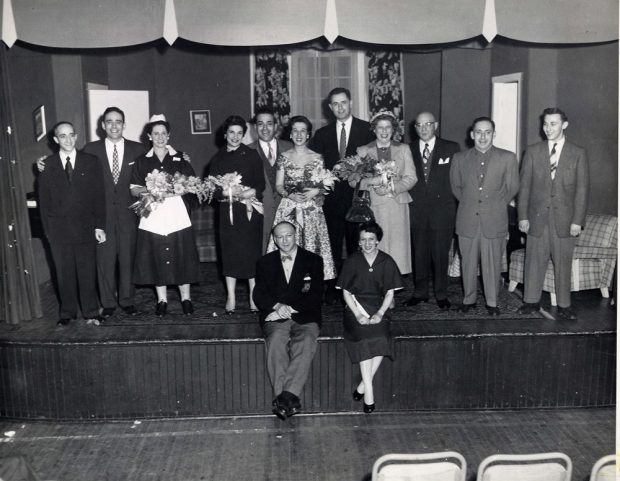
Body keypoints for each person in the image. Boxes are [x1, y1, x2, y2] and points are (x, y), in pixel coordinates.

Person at [37, 107, 147, 317]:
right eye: (109, 121)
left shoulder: (139, 149)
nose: (114, 125)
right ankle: (107, 302)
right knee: (103, 261)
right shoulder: (91, 149)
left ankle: (127, 299)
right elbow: (69, 163)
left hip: (128, 216)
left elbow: (154, 167)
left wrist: (177, 154)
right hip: (100, 217)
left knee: (127, 260)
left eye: (118, 121)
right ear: (103, 125)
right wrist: (43, 164)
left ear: (124, 124)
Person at [517, 108, 589, 321]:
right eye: (546, 124)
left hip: (565, 221)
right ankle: (531, 302)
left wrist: (578, 221)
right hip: (537, 219)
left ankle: (565, 306)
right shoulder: (532, 151)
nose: (548, 128)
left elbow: (582, 190)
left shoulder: (578, 153)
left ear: (564, 125)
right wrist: (522, 216)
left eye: (553, 124)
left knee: (563, 263)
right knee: (533, 262)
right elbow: (524, 188)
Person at [309, 87, 375, 303]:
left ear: (351, 102)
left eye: (343, 102)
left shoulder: (367, 130)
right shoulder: (321, 135)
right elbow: (315, 169)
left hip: (359, 198)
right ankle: (334, 287)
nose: (340, 107)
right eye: (335, 104)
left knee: (359, 243)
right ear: (330, 107)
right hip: (331, 201)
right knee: (333, 245)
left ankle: (359, 286)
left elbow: (375, 164)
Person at [253, 221, 324, 420]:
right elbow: (259, 295)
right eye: (279, 237)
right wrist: (277, 307)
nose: (284, 241)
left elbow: (317, 295)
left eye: (288, 236)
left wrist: (288, 310)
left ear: (296, 236)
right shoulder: (265, 262)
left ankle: (284, 398)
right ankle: (287, 399)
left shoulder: (314, 260)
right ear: (274, 240)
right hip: (275, 315)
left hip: (305, 314)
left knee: (306, 341)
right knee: (275, 341)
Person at [130, 115, 200, 316]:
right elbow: (134, 189)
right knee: (156, 256)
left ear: (168, 135)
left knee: (182, 255)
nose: (160, 137)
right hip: (153, 214)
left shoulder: (179, 157)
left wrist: (177, 189)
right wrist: (152, 188)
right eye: (156, 133)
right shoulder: (142, 161)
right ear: (149, 136)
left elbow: (192, 184)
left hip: (177, 214)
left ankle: (185, 298)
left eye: (163, 133)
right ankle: (162, 300)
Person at [38, 122, 106, 326]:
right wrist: (48, 231)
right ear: (55, 139)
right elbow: (44, 201)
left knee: (87, 272)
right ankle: (66, 313)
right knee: (63, 273)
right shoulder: (47, 165)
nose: (67, 140)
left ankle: (91, 312)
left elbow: (99, 197)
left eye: (71, 135)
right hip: (59, 231)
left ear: (76, 137)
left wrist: (99, 226)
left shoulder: (91, 161)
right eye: (62, 136)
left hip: (86, 227)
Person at [450, 117, 519, 315]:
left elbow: (512, 187)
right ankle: (469, 300)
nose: (482, 136)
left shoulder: (507, 158)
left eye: (487, 132)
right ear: (471, 135)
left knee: (492, 264)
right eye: (478, 132)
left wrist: (494, 204)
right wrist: (472, 202)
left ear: (493, 135)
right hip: (467, 219)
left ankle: (492, 302)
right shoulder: (459, 158)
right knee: (468, 263)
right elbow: (456, 187)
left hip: (494, 219)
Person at [337, 221, 403, 413]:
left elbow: (390, 293)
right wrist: (358, 314)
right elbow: (346, 293)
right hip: (355, 308)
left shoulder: (387, 261)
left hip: (379, 306)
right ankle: (369, 392)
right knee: (365, 337)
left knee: (382, 337)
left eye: (371, 240)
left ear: (378, 241)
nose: (367, 244)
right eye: (363, 240)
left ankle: (362, 386)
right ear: (358, 242)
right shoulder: (352, 261)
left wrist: (380, 313)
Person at [267, 115, 336, 280]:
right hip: (289, 207)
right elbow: (278, 185)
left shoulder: (317, 158)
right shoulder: (283, 157)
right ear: (290, 134)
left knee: (311, 246)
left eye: (303, 131)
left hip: (311, 209)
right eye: (295, 131)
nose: (299, 134)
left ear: (308, 135)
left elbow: (324, 183)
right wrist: (290, 194)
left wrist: (315, 191)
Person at [209, 115, 265, 314]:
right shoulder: (217, 159)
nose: (235, 137)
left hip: (249, 212)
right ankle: (231, 297)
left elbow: (261, 184)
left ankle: (253, 296)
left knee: (252, 254)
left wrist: (251, 192)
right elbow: (212, 190)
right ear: (225, 134)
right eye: (231, 132)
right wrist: (224, 192)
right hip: (228, 213)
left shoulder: (251, 155)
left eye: (239, 133)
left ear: (244, 134)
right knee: (230, 255)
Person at [404, 111, 461, 309]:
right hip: (416, 210)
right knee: (419, 254)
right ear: (415, 128)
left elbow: (457, 181)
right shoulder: (407, 149)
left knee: (440, 255)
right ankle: (420, 292)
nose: (424, 128)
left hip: (442, 211)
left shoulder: (451, 148)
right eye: (419, 125)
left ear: (435, 125)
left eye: (428, 124)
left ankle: (441, 294)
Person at [354, 111, 417, 275]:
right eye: (380, 127)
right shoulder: (363, 150)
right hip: (374, 206)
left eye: (388, 127)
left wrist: (392, 188)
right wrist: (370, 182)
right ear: (374, 130)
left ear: (393, 129)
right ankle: (374, 278)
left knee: (397, 247)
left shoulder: (403, 149)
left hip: (397, 204)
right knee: (376, 244)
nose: (384, 131)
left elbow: (411, 178)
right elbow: (353, 181)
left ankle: (394, 281)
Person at [248, 107, 293, 252]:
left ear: (275, 126)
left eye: (269, 123)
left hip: (288, 212)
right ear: (255, 127)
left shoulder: (290, 147)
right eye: (260, 124)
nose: (265, 128)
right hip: (261, 216)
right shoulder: (246, 151)